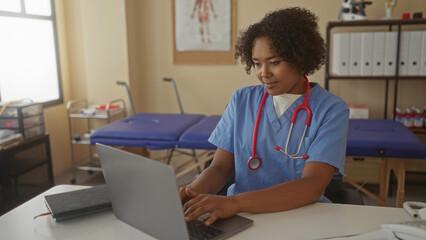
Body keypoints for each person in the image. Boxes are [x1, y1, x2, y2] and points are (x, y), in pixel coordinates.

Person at [180, 7, 349, 226]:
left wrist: (235, 203)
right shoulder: (242, 100)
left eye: (274, 62)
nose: (264, 73)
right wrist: (191, 192)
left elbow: (312, 185)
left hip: (302, 218)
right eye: (257, 63)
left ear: (300, 59)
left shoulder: (331, 109)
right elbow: (220, 167)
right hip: (239, 217)